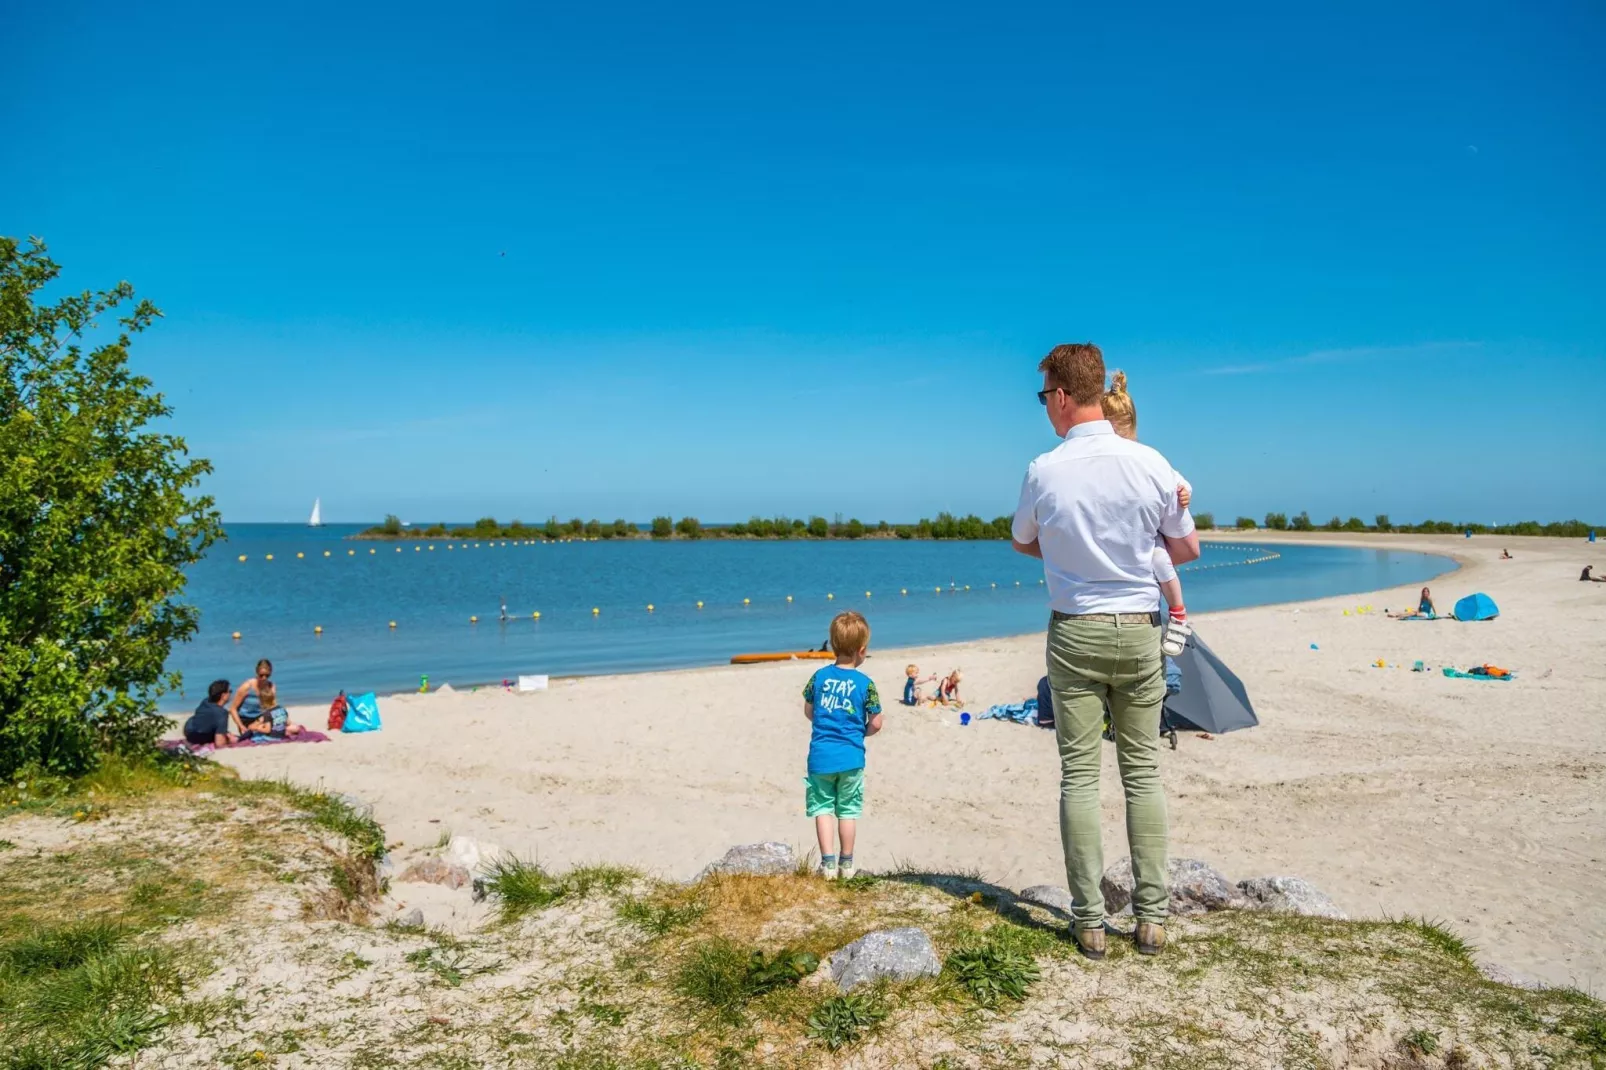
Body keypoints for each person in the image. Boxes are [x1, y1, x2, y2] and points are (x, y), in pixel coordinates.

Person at [1012, 342, 1199, 961]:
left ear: (1062, 397)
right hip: (1141, 626)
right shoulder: (1151, 463)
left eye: (1044, 397)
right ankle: (1152, 918)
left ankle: (1090, 921)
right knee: (1142, 773)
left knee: (1080, 775)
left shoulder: (1043, 469)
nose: (1045, 409)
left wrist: (1072, 559)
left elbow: (1023, 542)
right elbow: (1180, 545)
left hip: (1075, 629)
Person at [1100, 371, 1194, 657]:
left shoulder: (1149, 460)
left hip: (1149, 537)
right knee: (1159, 563)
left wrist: (1185, 492)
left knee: (1161, 561)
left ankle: (1178, 614)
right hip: (1129, 536)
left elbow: (1178, 481)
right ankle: (1175, 612)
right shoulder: (1129, 460)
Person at [802, 611, 883, 881]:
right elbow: (877, 722)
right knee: (847, 810)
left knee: (823, 809)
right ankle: (846, 865)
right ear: (862, 651)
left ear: (833, 644)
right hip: (851, 758)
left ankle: (827, 865)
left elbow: (808, 710)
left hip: (821, 757)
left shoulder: (819, 677)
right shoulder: (866, 684)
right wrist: (861, 733)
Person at [183, 680, 237, 747]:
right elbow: (220, 744)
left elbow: (208, 719)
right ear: (223, 696)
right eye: (230, 691)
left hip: (189, 731)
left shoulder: (206, 701)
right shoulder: (222, 713)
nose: (231, 694)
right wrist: (229, 741)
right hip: (200, 737)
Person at [229, 658, 274, 735]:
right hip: (247, 720)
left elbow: (272, 706)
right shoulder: (247, 687)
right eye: (261, 675)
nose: (264, 678)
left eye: (267, 675)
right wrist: (241, 726)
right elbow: (233, 709)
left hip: (262, 718)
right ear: (257, 672)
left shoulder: (270, 686)